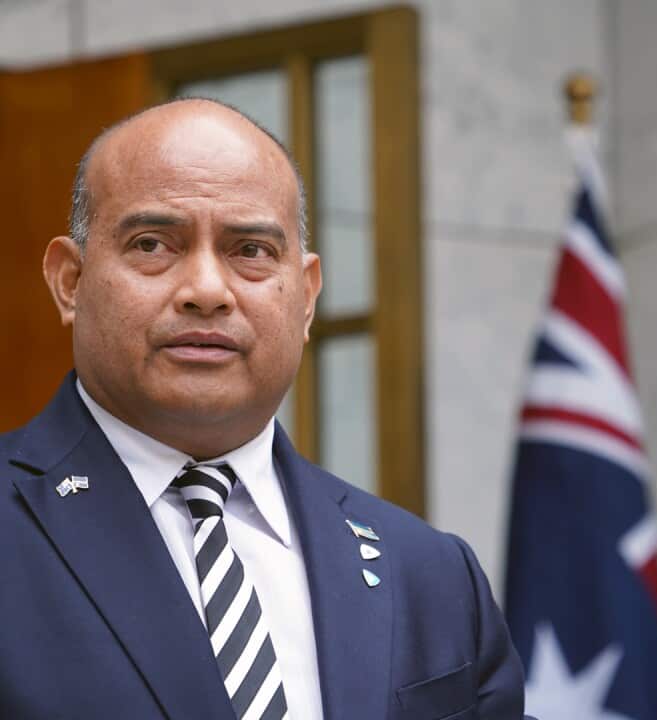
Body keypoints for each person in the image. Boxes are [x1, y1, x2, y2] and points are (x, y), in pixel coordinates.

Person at [0, 98, 527, 719]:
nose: (206, 291)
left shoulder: (432, 575)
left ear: (305, 299)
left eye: (250, 250)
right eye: (152, 244)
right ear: (70, 280)